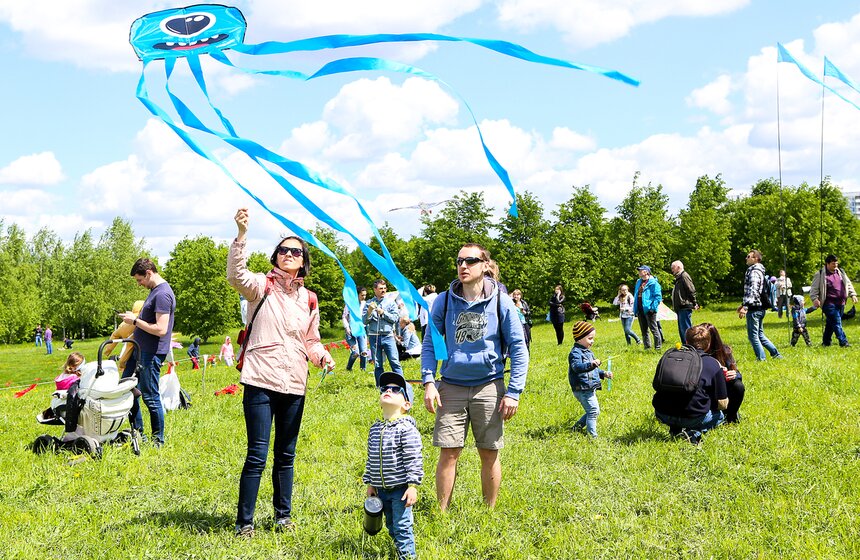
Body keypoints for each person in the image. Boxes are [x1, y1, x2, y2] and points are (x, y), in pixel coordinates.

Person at [227, 207, 334, 537]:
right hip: (260, 380)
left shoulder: (309, 299)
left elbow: (311, 340)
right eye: (284, 250)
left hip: (294, 383)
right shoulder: (261, 286)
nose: (289, 254)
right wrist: (241, 235)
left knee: (286, 455)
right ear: (275, 256)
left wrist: (321, 356)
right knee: (257, 455)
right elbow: (236, 276)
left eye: (296, 252)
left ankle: (282, 517)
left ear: (303, 261)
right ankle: (245, 522)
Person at [421, 243, 528, 511]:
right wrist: (429, 382)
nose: (463, 266)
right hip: (451, 387)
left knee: (489, 452)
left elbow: (518, 346)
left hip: (489, 386)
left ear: (485, 265)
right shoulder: (444, 301)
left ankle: (488, 512)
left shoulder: (501, 301)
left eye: (470, 261)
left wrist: (514, 392)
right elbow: (430, 343)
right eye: (459, 261)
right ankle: (442, 514)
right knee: (448, 452)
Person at [363, 371, 423, 560]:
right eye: (385, 389)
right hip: (381, 490)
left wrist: (412, 485)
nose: (388, 390)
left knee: (402, 526)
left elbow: (414, 458)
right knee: (391, 525)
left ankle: (408, 556)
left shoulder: (407, 429)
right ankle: (400, 551)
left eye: (396, 390)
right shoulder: (375, 429)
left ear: (406, 405)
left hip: (400, 490)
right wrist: (370, 483)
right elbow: (371, 458)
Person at [118, 258, 176, 447]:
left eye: (140, 280)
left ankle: (158, 440)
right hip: (139, 350)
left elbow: (161, 329)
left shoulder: (163, 294)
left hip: (151, 353)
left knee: (150, 396)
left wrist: (135, 321)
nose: (139, 284)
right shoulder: (154, 291)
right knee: (126, 388)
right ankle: (138, 433)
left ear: (149, 273)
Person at [653, 324, 728, 444]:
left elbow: (656, 385)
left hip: (662, 413)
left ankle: (676, 429)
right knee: (720, 416)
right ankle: (693, 432)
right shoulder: (713, 363)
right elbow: (722, 403)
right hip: (693, 417)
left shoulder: (668, 357)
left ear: (686, 341)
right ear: (708, 344)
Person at [567, 321, 613, 438]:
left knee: (593, 411)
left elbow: (593, 370)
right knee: (593, 410)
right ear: (579, 338)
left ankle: (576, 428)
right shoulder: (575, 353)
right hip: (582, 388)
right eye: (590, 338)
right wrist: (591, 364)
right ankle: (592, 436)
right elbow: (577, 367)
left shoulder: (588, 352)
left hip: (588, 387)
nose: (592, 341)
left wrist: (603, 373)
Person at [737, 250, 782, 361]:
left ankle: (761, 358)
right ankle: (776, 354)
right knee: (760, 335)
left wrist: (746, 307)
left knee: (753, 336)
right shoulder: (758, 270)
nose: (746, 258)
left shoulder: (754, 272)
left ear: (756, 259)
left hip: (754, 308)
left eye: (748, 256)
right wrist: (742, 304)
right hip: (759, 307)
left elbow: (753, 290)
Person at [810, 254, 858, 347]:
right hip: (828, 304)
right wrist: (814, 299)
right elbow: (814, 288)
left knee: (830, 323)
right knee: (836, 322)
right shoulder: (820, 274)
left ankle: (826, 342)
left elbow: (848, 284)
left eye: (836, 263)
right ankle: (843, 342)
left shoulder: (841, 272)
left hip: (841, 303)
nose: (835, 265)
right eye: (833, 263)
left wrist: (853, 294)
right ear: (827, 264)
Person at [702, 322, 745, 424]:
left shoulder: (724, 352)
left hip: (721, 389)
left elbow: (737, 372)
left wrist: (735, 374)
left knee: (738, 386)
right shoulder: (695, 353)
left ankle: (731, 416)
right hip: (704, 388)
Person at [364, 279, 404, 386]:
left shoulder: (391, 302)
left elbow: (395, 318)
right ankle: (380, 386)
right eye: (380, 288)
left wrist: (383, 313)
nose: (383, 290)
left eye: (385, 288)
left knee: (394, 361)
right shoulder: (368, 303)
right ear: (374, 289)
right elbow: (364, 321)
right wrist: (369, 311)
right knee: (377, 364)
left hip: (388, 336)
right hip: (374, 337)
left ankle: (401, 385)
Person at [632, 266, 662, 350]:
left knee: (654, 329)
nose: (639, 272)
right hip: (640, 308)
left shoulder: (653, 283)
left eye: (640, 270)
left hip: (649, 309)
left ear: (646, 272)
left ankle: (658, 347)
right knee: (644, 330)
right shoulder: (638, 282)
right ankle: (647, 347)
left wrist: (652, 308)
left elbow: (658, 297)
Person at [670, 260, 698, 343]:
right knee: (682, 330)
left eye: (673, 268)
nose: (672, 270)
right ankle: (685, 345)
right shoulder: (679, 278)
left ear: (678, 267)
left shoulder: (684, 276)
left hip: (684, 306)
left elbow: (691, 289)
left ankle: (690, 345)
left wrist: (694, 302)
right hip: (680, 307)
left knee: (686, 329)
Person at [344, 287, 368, 372]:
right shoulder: (349, 304)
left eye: (365, 295)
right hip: (351, 331)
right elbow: (344, 317)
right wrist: (347, 328)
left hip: (361, 330)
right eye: (362, 295)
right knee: (356, 352)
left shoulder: (365, 304)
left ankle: (363, 370)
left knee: (364, 352)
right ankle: (349, 368)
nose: (364, 297)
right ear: (357, 295)